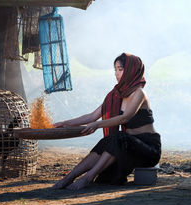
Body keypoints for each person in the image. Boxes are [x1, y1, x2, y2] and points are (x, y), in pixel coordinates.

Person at [52, 53, 161, 190]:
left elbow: (124, 118)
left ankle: (87, 178)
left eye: (120, 69)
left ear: (130, 71)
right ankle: (69, 177)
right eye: (115, 69)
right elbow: (92, 116)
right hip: (127, 146)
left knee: (118, 137)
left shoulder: (139, 93)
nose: (116, 73)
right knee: (107, 143)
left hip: (148, 148)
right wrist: (66, 123)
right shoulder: (117, 94)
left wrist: (97, 125)